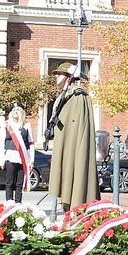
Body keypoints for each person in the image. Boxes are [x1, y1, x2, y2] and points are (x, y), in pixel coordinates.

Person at [48, 62, 100, 211]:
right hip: (65, 144)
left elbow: (78, 127)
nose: (56, 76)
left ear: (69, 77)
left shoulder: (78, 95)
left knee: (73, 170)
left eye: (60, 74)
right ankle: (66, 207)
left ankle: (73, 207)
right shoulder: (66, 95)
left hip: (73, 145)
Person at [0, 102, 35, 204]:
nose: (16, 113)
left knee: (19, 183)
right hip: (10, 157)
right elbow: (1, 143)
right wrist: (1, 160)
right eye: (14, 111)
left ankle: (18, 204)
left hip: (23, 158)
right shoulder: (6, 125)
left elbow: (31, 143)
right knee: (9, 183)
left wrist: (31, 160)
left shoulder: (26, 125)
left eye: (18, 111)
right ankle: (9, 204)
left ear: (22, 113)